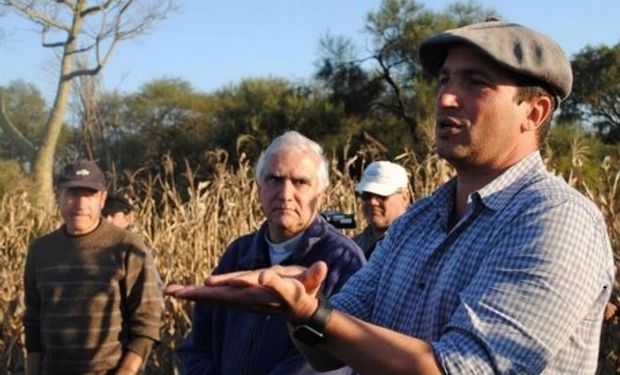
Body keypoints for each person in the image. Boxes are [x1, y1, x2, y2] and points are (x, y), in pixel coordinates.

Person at [166, 19, 617, 374]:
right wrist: (295, 313)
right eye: (444, 80)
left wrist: (311, 313)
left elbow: (457, 370)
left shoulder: (554, 221)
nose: (445, 99)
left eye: (475, 83)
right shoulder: (418, 221)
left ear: (533, 113)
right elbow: (327, 353)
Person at [175, 131, 366, 374]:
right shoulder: (238, 254)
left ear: (320, 194)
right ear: (259, 188)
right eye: (274, 179)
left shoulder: (342, 259)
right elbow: (197, 346)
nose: (285, 195)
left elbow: (335, 357)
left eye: (300, 182)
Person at [24, 159, 164, 375]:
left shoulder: (127, 246)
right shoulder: (41, 251)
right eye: (72, 194)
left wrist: (126, 371)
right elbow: (33, 323)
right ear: (58, 196)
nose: (80, 204)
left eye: (89, 195)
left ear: (102, 199)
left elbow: (148, 322)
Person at [352, 161, 410, 259]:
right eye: (366, 195)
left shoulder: (415, 247)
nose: (373, 202)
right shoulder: (352, 247)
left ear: (405, 197)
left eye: (381, 196)